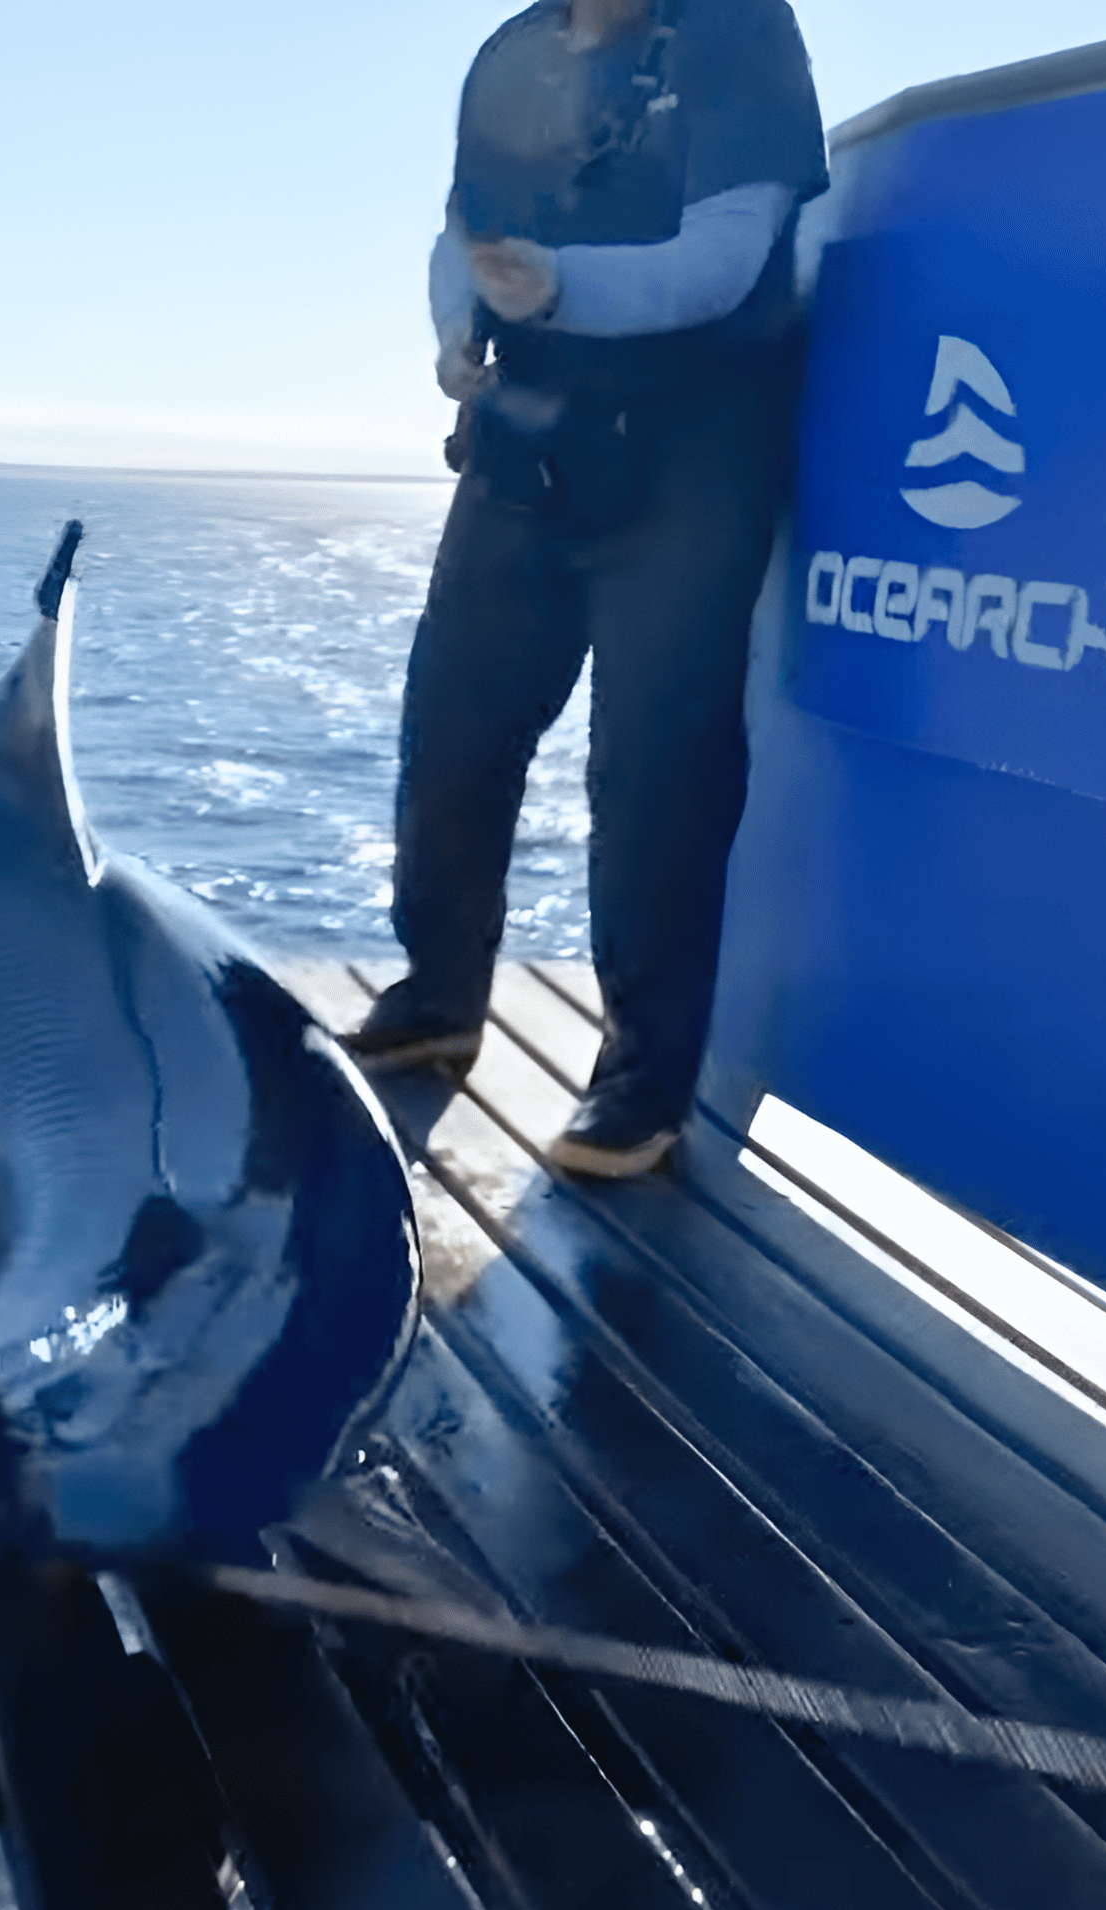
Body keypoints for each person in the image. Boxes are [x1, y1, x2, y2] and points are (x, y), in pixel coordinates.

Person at [341, 0, 826, 1180]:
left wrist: (555, 287)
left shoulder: (739, 35)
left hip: (689, 465)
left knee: (655, 772)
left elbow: (726, 257)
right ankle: (440, 995)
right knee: (452, 727)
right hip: (523, 450)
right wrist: (458, 329)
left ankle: (641, 1081)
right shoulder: (508, 52)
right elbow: (461, 231)